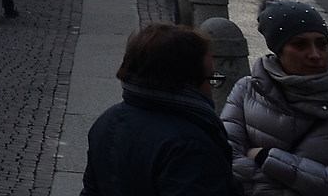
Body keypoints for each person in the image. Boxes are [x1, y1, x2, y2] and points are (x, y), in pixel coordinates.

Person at [82, 21, 241, 196]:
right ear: (187, 81)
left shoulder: (107, 121)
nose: (211, 89)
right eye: (210, 78)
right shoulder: (190, 145)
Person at [223, 0, 328, 191]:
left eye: (322, 44)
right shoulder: (248, 90)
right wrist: (312, 180)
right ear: (279, 51)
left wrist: (266, 158)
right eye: (300, 45)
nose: (316, 55)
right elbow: (225, 156)